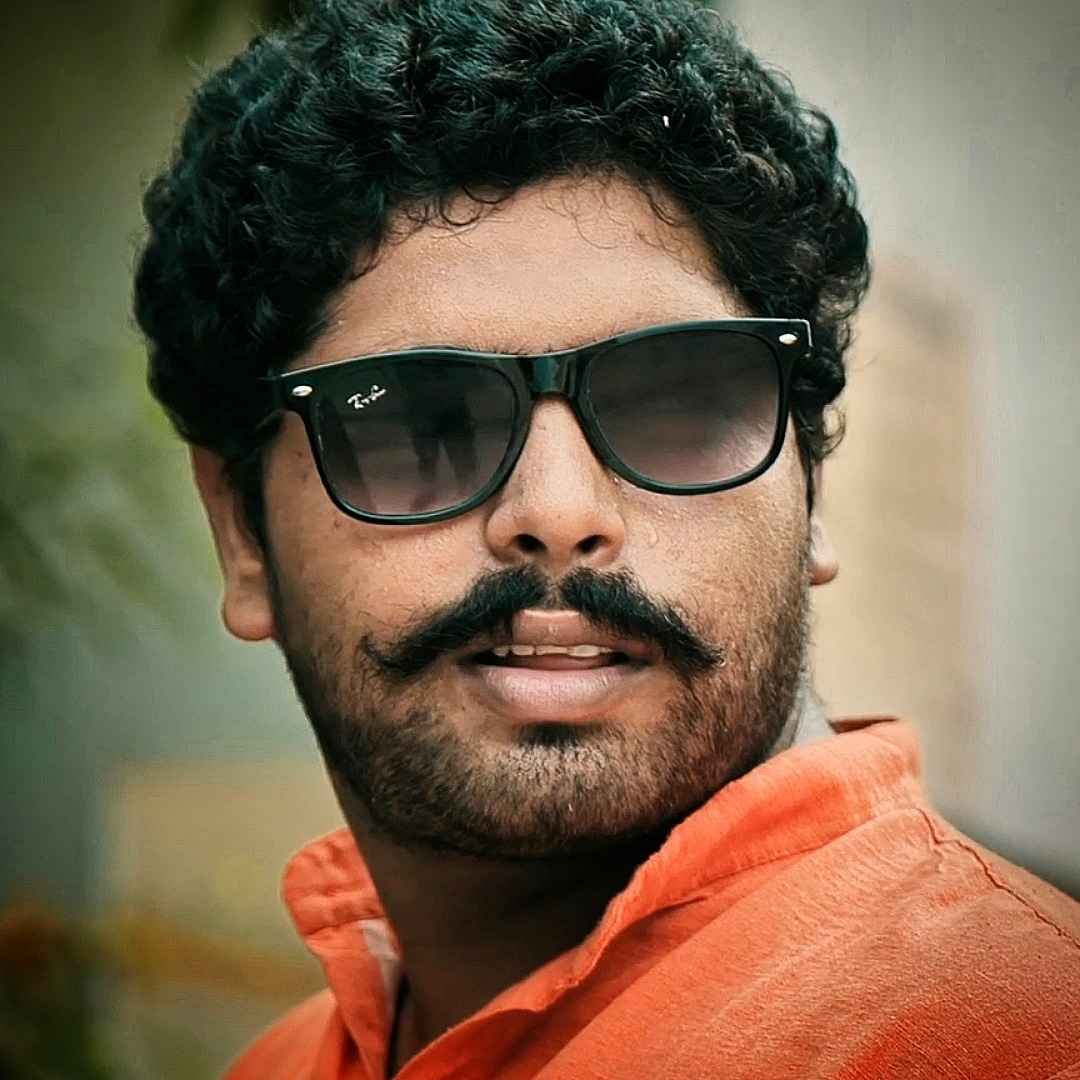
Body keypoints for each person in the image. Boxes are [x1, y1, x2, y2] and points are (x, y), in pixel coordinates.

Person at [132, 0, 1080, 1076]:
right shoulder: (275, 1065)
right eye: (420, 420)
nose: (557, 512)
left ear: (811, 489)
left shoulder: (1016, 1040)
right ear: (242, 531)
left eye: (676, 402)